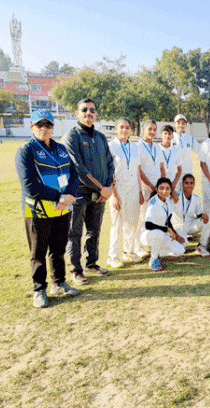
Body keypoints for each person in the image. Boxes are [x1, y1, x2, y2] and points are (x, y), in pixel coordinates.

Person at [15, 110, 80, 308]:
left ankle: (59, 283)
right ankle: (39, 289)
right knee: (38, 251)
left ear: (53, 127)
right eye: (39, 125)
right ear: (32, 127)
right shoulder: (26, 150)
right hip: (38, 211)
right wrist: (59, 196)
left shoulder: (61, 149)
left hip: (62, 209)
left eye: (48, 125)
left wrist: (68, 195)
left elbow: (74, 175)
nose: (44, 128)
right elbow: (29, 185)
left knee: (58, 249)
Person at [62, 98, 114, 285]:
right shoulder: (72, 136)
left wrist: (107, 187)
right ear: (77, 112)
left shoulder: (100, 137)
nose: (88, 113)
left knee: (94, 230)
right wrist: (102, 188)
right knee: (74, 233)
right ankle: (75, 270)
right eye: (84, 109)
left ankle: (91, 264)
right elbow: (78, 168)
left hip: (100, 195)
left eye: (92, 110)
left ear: (96, 114)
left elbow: (110, 162)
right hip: (78, 193)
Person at [106, 117, 146, 268]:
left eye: (127, 127)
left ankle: (128, 252)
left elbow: (137, 170)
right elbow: (109, 172)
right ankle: (112, 256)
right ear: (116, 129)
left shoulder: (135, 147)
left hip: (134, 187)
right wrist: (114, 194)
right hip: (119, 187)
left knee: (132, 222)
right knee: (117, 223)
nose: (124, 130)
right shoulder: (111, 146)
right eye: (121, 127)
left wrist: (141, 191)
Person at [140, 177, 186, 271]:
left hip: (161, 235)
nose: (164, 191)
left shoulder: (168, 202)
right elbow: (148, 225)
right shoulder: (152, 203)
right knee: (158, 233)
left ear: (171, 190)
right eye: (161, 188)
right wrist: (167, 230)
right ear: (156, 189)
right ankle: (153, 260)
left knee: (180, 250)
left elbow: (168, 221)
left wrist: (175, 235)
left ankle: (156, 252)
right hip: (147, 235)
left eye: (167, 188)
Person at [136, 119, 164, 251]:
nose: (152, 132)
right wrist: (151, 186)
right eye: (149, 129)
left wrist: (162, 186)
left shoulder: (157, 146)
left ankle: (154, 244)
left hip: (158, 189)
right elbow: (138, 170)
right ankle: (138, 247)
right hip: (145, 188)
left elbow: (162, 167)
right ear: (143, 130)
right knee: (142, 218)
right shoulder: (137, 146)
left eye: (154, 129)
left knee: (155, 217)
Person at [171, 174, 210, 254]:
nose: (189, 185)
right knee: (180, 250)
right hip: (178, 227)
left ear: (194, 184)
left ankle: (201, 246)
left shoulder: (196, 198)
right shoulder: (176, 197)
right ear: (182, 184)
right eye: (186, 183)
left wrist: (204, 215)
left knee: (209, 220)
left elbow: (199, 215)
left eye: (191, 183)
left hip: (191, 225)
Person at [172, 114, 200, 181]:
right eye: (178, 123)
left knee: (186, 191)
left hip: (187, 171)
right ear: (174, 124)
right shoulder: (170, 137)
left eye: (183, 123)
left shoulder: (190, 138)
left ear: (186, 125)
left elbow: (200, 150)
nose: (180, 125)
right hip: (173, 172)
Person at [159, 125, 182, 197]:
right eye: (165, 133)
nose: (167, 136)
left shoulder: (176, 150)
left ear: (172, 136)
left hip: (172, 184)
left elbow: (179, 170)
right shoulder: (156, 149)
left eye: (169, 133)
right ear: (161, 135)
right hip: (159, 183)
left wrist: (174, 184)